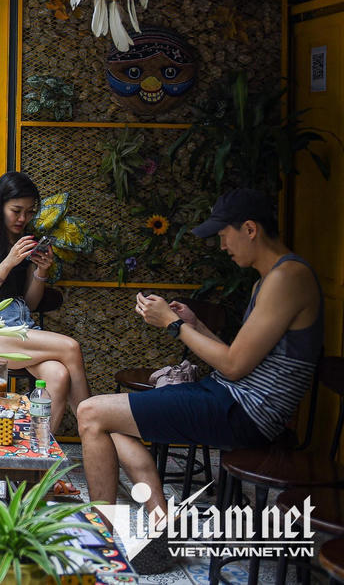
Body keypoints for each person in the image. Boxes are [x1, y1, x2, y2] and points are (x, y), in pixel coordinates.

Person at [76, 189, 322, 572]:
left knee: (91, 412)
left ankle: (106, 537)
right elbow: (236, 360)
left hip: (245, 413)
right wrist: (196, 324)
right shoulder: (268, 281)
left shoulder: (288, 278)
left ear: (250, 229)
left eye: (223, 235)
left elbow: (236, 367)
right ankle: (163, 522)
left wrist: (174, 326)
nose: (222, 245)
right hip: (230, 397)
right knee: (100, 419)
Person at [0, 171, 90, 435]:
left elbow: (29, 302)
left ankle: (37, 453)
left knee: (58, 375)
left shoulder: (27, 242)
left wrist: (41, 271)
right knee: (70, 347)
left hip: (22, 327)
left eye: (29, 212)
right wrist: (8, 262)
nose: (22, 219)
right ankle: (92, 426)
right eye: (16, 210)